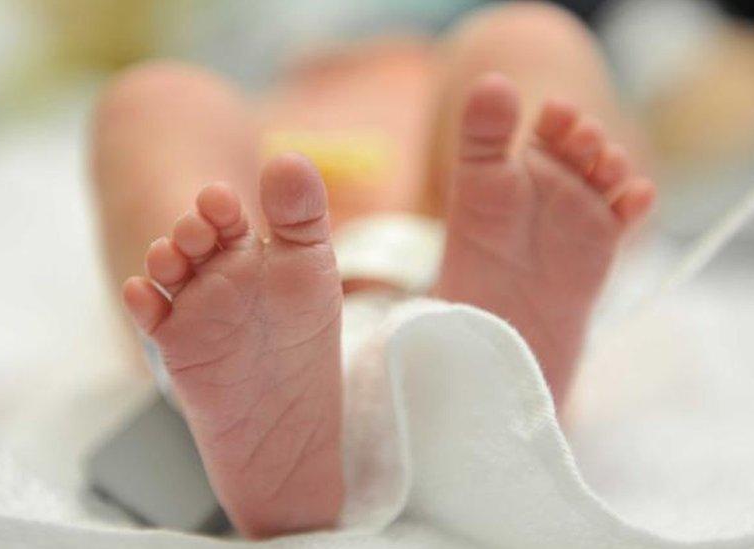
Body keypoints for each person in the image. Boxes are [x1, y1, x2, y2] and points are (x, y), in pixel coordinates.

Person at [90, 2, 654, 539]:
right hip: (269, 289)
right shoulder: (260, 98)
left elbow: (635, 171)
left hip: (444, 240)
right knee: (160, 97)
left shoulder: (443, 68)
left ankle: (500, 318)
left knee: (528, 37)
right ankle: (229, 335)